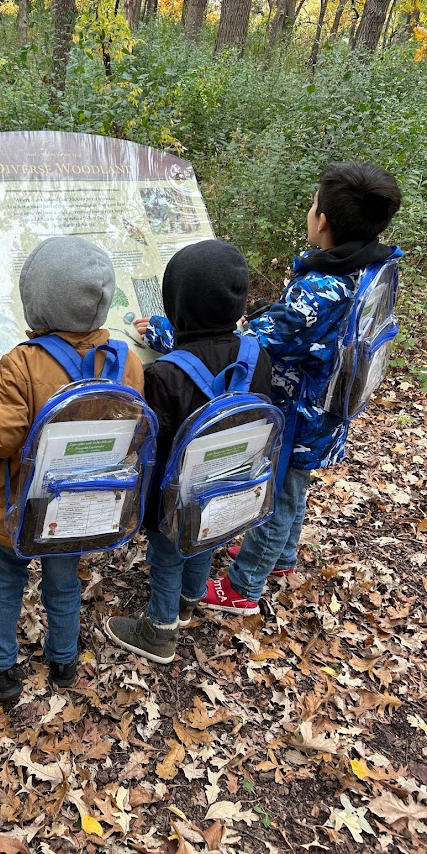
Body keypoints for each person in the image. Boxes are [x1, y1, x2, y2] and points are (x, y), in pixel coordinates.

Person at [0, 237, 145, 701]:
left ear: (36, 300)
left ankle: (0, 670)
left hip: (18, 507)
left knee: (8, 579)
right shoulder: (126, 360)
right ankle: (64, 661)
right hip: (80, 507)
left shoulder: (22, 363)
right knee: (63, 580)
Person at [200, 161, 402, 615]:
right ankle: (282, 557)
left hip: (299, 417)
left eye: (313, 205)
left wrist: (166, 331)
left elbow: (247, 343)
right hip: (327, 409)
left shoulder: (322, 290)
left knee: (276, 499)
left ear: (323, 221)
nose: (311, 211)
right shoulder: (369, 269)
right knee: (294, 488)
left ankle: (243, 589)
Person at [105, 240, 272, 663]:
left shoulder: (163, 374)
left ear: (176, 305)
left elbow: (150, 444)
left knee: (168, 551)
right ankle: (190, 598)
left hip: (173, 494)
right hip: (231, 481)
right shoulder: (259, 357)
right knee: (205, 536)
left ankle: (159, 629)